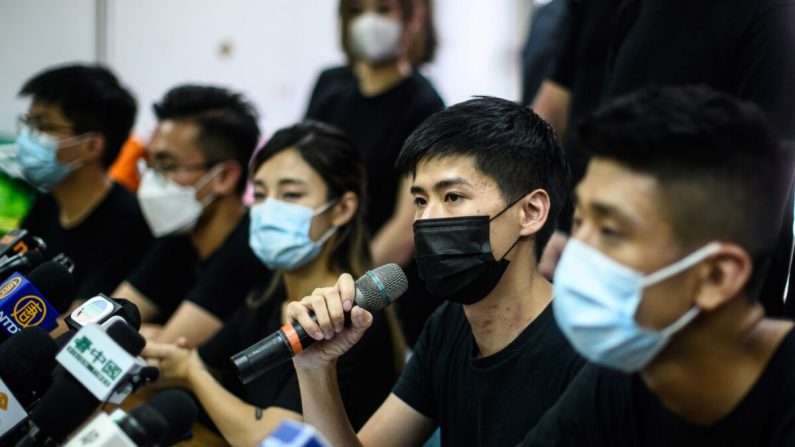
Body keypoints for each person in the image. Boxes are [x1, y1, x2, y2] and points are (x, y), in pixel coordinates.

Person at [286, 97, 583, 447]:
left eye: (453, 197)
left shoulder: (582, 349)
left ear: (531, 212)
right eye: (421, 201)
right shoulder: (448, 325)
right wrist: (315, 370)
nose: (426, 220)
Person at [520, 86, 795, 446]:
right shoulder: (631, 368)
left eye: (609, 230)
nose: (574, 253)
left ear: (716, 276)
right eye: (579, 221)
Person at [143, 122, 401, 447]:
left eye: (291, 194)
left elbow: (274, 438)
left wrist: (192, 374)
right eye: (261, 194)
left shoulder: (351, 319)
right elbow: (206, 361)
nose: (268, 210)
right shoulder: (267, 293)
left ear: (343, 208)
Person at [533, 0, 795, 316]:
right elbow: (572, 115)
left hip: (708, 298)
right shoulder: (634, 11)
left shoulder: (770, 15)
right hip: (618, 272)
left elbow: (763, 183)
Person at [305, 0, 445, 346]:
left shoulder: (423, 105)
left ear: (412, 18)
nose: (369, 21)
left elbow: (405, 228)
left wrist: (342, 292)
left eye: (383, 9)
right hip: (316, 278)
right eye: (357, 10)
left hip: (375, 294)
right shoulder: (329, 87)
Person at [113, 85, 269, 346]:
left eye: (167, 166)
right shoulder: (181, 234)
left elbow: (161, 360)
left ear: (224, 177)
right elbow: (99, 326)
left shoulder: (249, 246)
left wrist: (146, 337)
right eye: (150, 165)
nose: (151, 179)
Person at [17, 64, 152, 300]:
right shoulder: (45, 206)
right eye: (29, 124)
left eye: (44, 126)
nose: (29, 137)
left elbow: (80, 321)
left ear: (91, 145)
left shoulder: (128, 222)